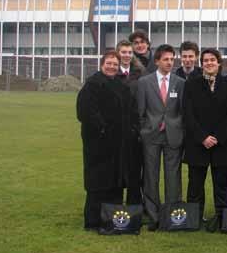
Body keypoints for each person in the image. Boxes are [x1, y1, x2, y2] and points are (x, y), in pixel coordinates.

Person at [76, 50, 139, 231]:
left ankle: (112, 219)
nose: (111, 67)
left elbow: (131, 110)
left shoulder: (121, 86)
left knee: (115, 182)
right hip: (98, 144)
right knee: (98, 183)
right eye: (108, 63)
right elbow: (85, 111)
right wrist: (102, 129)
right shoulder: (92, 85)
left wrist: (132, 129)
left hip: (120, 145)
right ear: (102, 64)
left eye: (114, 64)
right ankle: (93, 220)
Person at [183, 48, 227, 229]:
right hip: (198, 143)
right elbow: (187, 113)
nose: (209, 63)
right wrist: (203, 137)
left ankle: (222, 218)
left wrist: (217, 137)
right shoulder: (191, 84)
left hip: (222, 144)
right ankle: (194, 218)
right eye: (206, 60)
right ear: (201, 64)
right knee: (195, 185)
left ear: (219, 63)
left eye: (212, 60)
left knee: (222, 184)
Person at [137, 44, 185, 231]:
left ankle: (172, 215)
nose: (169, 62)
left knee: (173, 176)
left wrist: (178, 127)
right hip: (151, 135)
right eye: (166, 59)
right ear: (157, 61)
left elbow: (182, 110)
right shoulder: (144, 82)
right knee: (151, 176)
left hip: (173, 135)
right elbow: (141, 111)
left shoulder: (180, 82)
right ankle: (153, 215)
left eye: (172, 59)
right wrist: (144, 130)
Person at [115, 40, 146, 205]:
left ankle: (135, 205)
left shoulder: (140, 73)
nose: (126, 55)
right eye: (123, 52)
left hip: (135, 129)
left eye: (129, 52)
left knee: (135, 169)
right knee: (117, 169)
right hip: (117, 130)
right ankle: (115, 205)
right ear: (118, 53)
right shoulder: (112, 72)